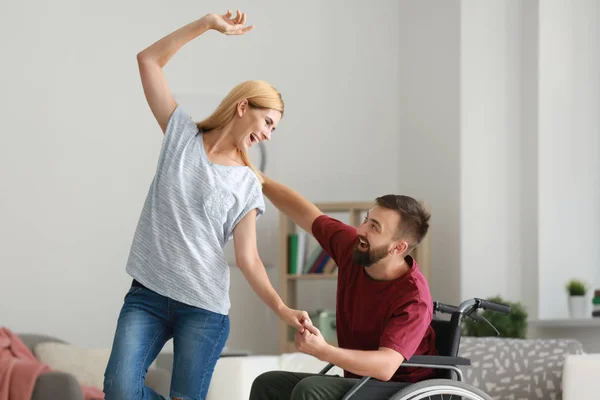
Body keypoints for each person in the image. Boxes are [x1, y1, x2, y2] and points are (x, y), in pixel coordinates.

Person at [103, 10, 311, 400]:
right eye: (267, 122)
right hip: (147, 295)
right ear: (243, 106)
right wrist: (207, 24)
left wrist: (283, 310)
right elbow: (147, 60)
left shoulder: (247, 182)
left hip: (203, 308)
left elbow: (248, 259)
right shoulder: (180, 134)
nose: (268, 135)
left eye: (274, 129)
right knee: (119, 391)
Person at [249, 175, 439, 400]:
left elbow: (386, 367)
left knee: (310, 390)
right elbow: (306, 214)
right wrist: (260, 180)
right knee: (268, 384)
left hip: (402, 388)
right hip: (361, 382)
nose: (361, 229)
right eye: (367, 220)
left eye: (374, 227)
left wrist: (323, 351)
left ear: (398, 247)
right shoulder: (355, 248)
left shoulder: (413, 297)